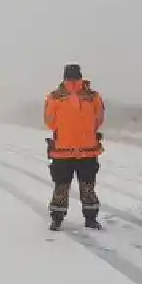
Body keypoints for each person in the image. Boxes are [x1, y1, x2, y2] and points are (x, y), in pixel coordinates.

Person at [43, 63, 106, 230]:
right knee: (88, 187)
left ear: (64, 77)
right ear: (80, 76)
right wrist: (86, 133)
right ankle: (91, 219)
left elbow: (49, 122)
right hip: (88, 151)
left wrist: (65, 132)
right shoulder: (93, 96)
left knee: (61, 188)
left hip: (62, 152)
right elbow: (99, 119)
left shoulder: (54, 97)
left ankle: (57, 219)